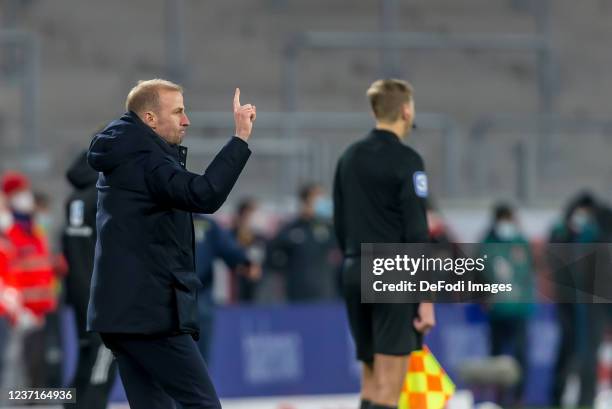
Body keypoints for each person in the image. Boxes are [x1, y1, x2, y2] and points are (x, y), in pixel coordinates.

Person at [86, 79, 255, 409]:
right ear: (149, 118)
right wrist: (240, 139)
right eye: (178, 111)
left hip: (120, 313)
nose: (186, 120)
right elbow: (203, 194)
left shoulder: (123, 151)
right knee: (202, 403)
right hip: (150, 313)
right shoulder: (147, 159)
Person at [333, 79, 435, 409]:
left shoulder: (348, 157)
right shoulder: (408, 160)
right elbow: (417, 231)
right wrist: (426, 297)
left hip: (354, 267)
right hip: (393, 270)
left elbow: (340, 222)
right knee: (390, 388)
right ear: (406, 110)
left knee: (371, 381)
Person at [62, 150, 117, 409]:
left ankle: (70, 404)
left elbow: (74, 254)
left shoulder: (75, 199)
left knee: (87, 357)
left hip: (79, 294)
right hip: (101, 297)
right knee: (103, 359)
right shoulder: (101, 195)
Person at [0, 171, 59, 388]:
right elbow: (10, 272)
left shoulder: (35, 228)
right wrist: (19, 309)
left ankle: (36, 401)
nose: (25, 197)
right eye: (18, 193)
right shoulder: (9, 232)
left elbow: (40, 264)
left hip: (41, 309)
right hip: (17, 312)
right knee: (16, 370)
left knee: (37, 369)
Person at [479, 203, 534, 406]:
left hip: (519, 309)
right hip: (497, 311)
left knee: (520, 354)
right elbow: (478, 274)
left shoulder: (521, 242)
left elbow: (529, 273)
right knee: (497, 355)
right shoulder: (487, 243)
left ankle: (519, 397)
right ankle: (498, 398)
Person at [193, 215, 256, 361]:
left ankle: (200, 382)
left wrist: (246, 263)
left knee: (201, 353)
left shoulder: (207, 225)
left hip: (200, 294)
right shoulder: (164, 218)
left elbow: (229, 249)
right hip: (173, 296)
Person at [266, 183, 341, 302]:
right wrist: (285, 269)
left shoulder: (329, 229)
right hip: (297, 295)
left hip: (326, 295)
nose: (323, 202)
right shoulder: (291, 229)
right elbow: (271, 254)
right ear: (306, 201)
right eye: (318, 198)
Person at [230, 198, 265, 302]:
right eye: (248, 215)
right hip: (234, 288)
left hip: (256, 288)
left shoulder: (259, 238)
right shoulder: (230, 236)